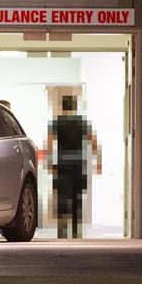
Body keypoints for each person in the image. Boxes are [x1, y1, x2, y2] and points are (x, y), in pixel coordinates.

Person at [44, 95, 101, 239]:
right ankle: (76, 230)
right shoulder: (81, 122)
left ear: (63, 106)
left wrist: (49, 161)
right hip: (77, 164)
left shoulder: (56, 123)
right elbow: (93, 142)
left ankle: (62, 229)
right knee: (77, 197)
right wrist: (97, 161)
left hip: (62, 164)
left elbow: (50, 143)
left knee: (62, 197)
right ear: (75, 106)